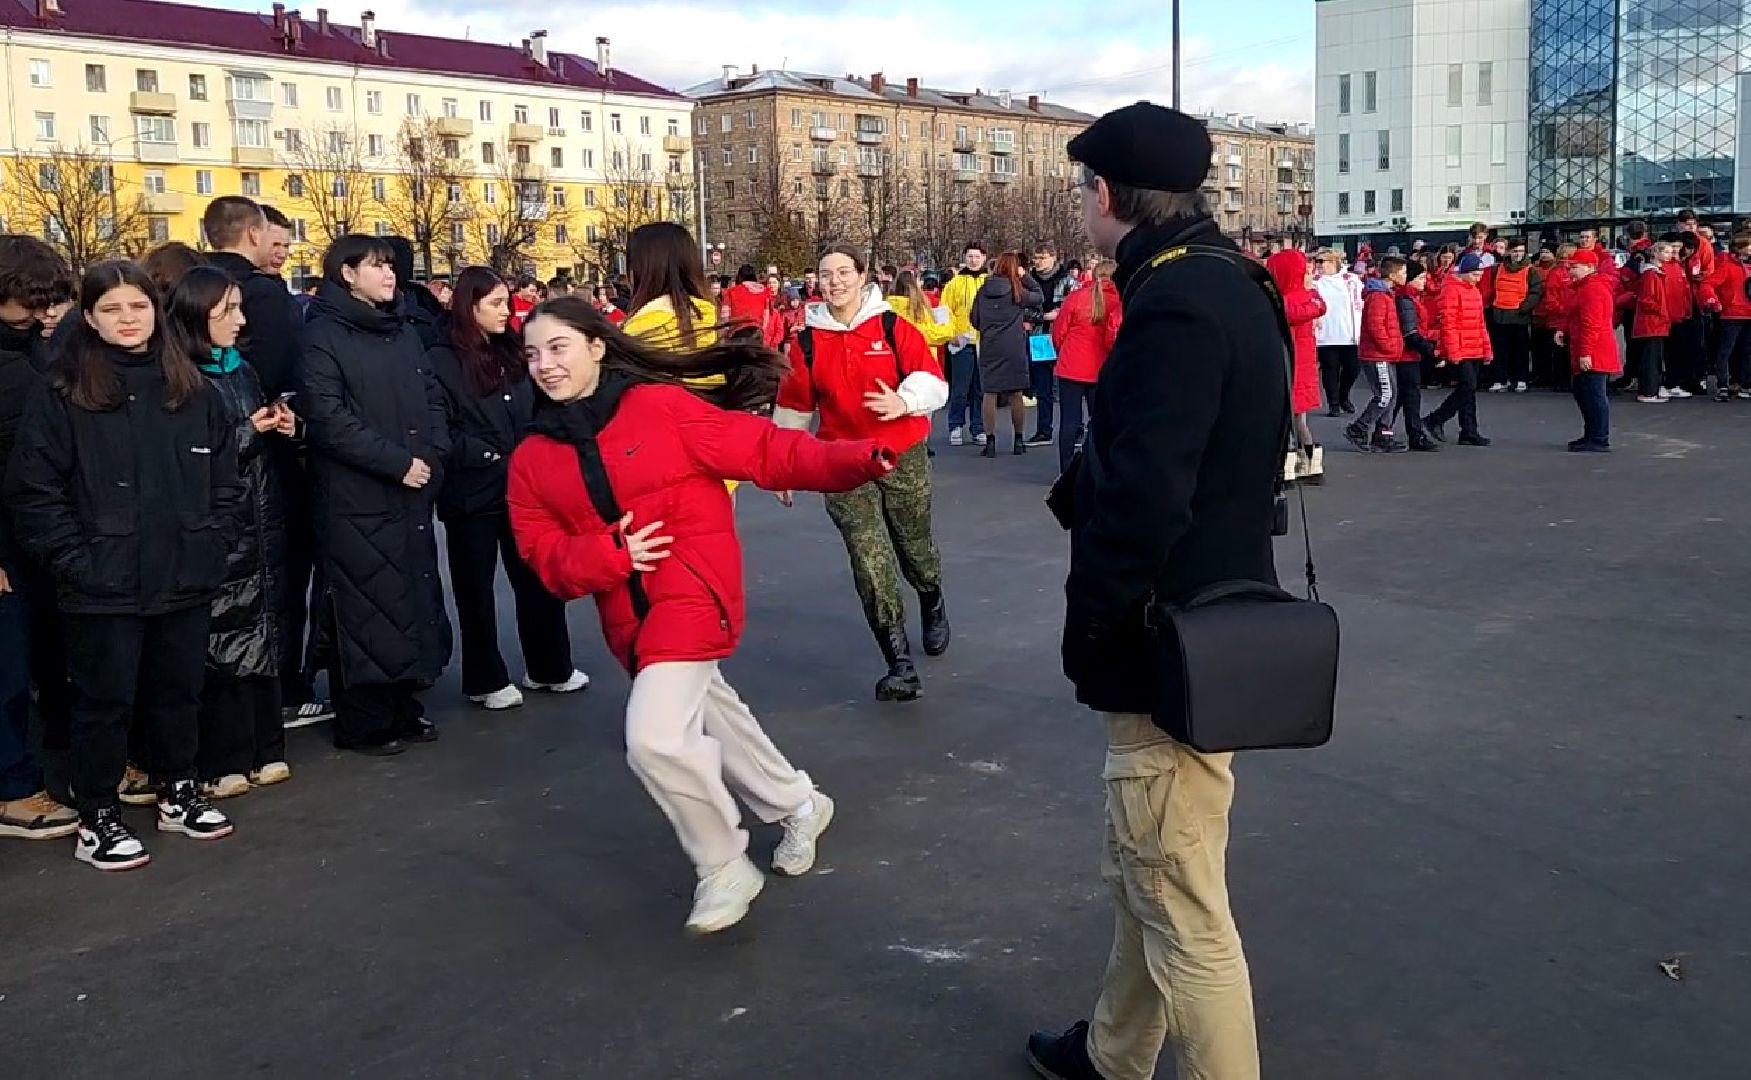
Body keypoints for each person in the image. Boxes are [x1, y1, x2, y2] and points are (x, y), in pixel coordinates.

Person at [1028, 101, 1280, 1080]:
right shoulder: (1228, 278)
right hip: (1213, 622)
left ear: (1104, 194)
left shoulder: (1174, 301)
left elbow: (1145, 494)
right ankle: (1111, 1052)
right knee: (1156, 863)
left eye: (1079, 190)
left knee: (1178, 899)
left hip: (1164, 635)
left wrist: (1091, 628)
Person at [507, 296, 893, 934]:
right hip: (627, 620)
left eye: (558, 348)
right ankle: (798, 803)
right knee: (713, 714)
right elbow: (543, 559)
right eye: (532, 354)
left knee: (653, 737)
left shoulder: (659, 410)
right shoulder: (531, 458)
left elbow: (766, 450)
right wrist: (612, 554)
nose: (545, 365)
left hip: (693, 592)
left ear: (597, 347)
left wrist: (855, 458)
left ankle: (722, 864)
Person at [6, 260, 242, 870]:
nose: (127, 320)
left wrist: (210, 540)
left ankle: (177, 788)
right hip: (101, 582)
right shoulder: (61, 395)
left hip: (184, 570)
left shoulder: (192, 391)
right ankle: (98, 815)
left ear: (155, 312)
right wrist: (75, 561)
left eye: (137, 306)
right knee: (103, 702)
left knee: (177, 691)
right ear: (89, 318)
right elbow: (35, 491)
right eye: (111, 309)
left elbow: (224, 479)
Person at [298, 235, 452, 757]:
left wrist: (434, 452)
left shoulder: (402, 330)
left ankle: (404, 704)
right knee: (363, 604)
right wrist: (396, 463)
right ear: (346, 273)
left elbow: (432, 395)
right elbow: (327, 418)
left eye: (390, 266)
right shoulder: (322, 336)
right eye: (377, 266)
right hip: (356, 495)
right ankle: (364, 719)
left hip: (411, 485)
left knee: (410, 595)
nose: (390, 275)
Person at [775, 245, 950, 702]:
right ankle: (900, 663)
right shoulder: (807, 342)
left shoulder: (891, 325)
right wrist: (784, 467)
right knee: (868, 557)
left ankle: (931, 596)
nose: (835, 282)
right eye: (826, 274)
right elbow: (794, 409)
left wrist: (904, 401)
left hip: (900, 451)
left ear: (863, 275)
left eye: (844, 272)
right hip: (842, 461)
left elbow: (932, 379)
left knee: (913, 546)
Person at [428, 266, 588, 711]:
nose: (507, 310)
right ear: (470, 305)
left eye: (507, 301)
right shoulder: (441, 358)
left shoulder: (515, 351)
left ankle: (550, 666)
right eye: (496, 303)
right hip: (472, 491)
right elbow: (438, 425)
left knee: (537, 577)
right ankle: (485, 677)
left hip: (523, 488)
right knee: (475, 589)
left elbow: (541, 404)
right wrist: (488, 455)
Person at [164, 265, 297, 798]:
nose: (240, 322)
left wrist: (281, 423)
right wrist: (248, 432)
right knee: (221, 638)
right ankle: (225, 757)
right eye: (228, 312)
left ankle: (267, 746)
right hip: (219, 523)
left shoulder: (240, 368)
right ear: (199, 317)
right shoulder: (182, 377)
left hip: (260, 517)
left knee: (263, 626)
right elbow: (191, 455)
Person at [202, 196, 329, 729]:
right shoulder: (266, 299)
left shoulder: (190, 287)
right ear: (253, 233)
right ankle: (282, 688)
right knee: (280, 578)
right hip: (268, 461)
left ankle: (236, 696)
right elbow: (286, 376)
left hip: (209, 468)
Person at [0, 235, 80, 840]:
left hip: (41, 530)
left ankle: (60, 760)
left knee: (52, 655)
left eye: (50, 303)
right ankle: (13, 788)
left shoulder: (38, 353)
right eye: (31, 303)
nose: (44, 315)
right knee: (7, 666)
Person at [1049, 259, 1122, 471]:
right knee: (1099, 421)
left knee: (1069, 420)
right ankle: (1097, 466)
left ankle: (1066, 468)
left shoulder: (1076, 297)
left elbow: (1059, 331)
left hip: (1071, 365)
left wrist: (1063, 351)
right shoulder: (1119, 300)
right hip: (1102, 367)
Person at [970, 252, 1044, 457]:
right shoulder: (1017, 291)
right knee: (1015, 393)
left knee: (990, 393)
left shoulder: (983, 290)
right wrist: (1025, 276)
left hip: (990, 345)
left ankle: (990, 440)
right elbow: (1039, 295)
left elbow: (974, 318)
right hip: (1013, 346)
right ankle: (1018, 440)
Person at [1264, 247, 1328, 482]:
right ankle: (1312, 464)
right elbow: (1318, 305)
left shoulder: (1281, 302)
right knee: (1300, 419)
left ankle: (1286, 467)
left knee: (1284, 419)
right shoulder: (1310, 297)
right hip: (1307, 365)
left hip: (1287, 364)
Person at [1423, 252, 1494, 446]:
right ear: (1464, 272)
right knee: (1467, 386)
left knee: (1469, 390)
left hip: (1474, 346)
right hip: (1459, 347)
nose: (1477, 278)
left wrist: (1486, 349)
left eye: (1479, 274)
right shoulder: (1451, 290)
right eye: (1474, 274)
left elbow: (1481, 323)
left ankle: (1469, 430)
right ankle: (1436, 418)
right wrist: (1453, 351)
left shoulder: (1474, 291)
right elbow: (1448, 323)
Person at [1558, 248, 1618, 451]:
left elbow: (1591, 324)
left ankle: (1598, 437)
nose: (1570, 270)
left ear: (1589, 267)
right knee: (1584, 392)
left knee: (1592, 394)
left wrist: (1586, 352)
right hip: (1589, 347)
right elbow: (1578, 317)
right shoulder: (1586, 287)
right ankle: (1593, 434)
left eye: (1575, 266)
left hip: (1594, 350)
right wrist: (1564, 330)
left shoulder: (1592, 289)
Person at [1351, 255, 1409, 453]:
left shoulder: (1386, 294)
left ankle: (1383, 434)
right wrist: (1389, 346)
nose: (1406, 276)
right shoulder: (1378, 296)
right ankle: (1360, 426)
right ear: (1392, 275)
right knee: (1385, 394)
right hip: (1377, 355)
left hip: (1384, 354)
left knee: (1391, 394)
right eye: (1403, 273)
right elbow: (1376, 327)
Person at [1025, 243, 1076, 447]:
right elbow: (1022, 308)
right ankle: (1043, 430)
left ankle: (1075, 430)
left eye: (1043, 258)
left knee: (1067, 387)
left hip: (1063, 337)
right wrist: (1044, 316)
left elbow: (1073, 307)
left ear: (1053, 258)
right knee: (1043, 386)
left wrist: (1056, 314)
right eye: (1036, 258)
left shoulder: (1067, 280)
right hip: (1039, 336)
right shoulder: (1029, 281)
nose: (1038, 262)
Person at [941, 243, 989, 446]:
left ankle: (978, 427)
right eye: (970, 256)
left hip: (985, 342)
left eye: (977, 256)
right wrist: (950, 333)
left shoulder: (990, 282)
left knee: (980, 389)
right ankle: (955, 426)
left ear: (984, 258)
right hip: (962, 341)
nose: (973, 260)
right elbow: (944, 311)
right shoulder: (954, 284)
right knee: (960, 388)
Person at [1483, 239, 1541, 393]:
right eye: (1515, 251)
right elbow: (1490, 289)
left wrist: (1524, 307)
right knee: (1500, 351)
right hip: (1500, 314)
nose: (1518, 255)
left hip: (1519, 316)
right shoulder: (1498, 269)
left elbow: (1536, 292)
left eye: (1521, 251)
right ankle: (1500, 379)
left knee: (1520, 351)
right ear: (1509, 252)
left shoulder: (1531, 270)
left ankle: (1521, 379)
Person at [1393, 263, 1440, 451]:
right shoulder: (1406, 300)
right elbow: (1411, 333)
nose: (1425, 281)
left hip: (1409, 353)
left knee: (1404, 397)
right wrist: (1431, 351)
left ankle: (1390, 430)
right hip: (1406, 354)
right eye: (1421, 278)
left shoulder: (1411, 298)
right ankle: (1414, 434)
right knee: (1408, 396)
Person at [1313, 248, 1363, 414]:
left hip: (1348, 333)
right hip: (1326, 334)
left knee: (1353, 368)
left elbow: (1361, 301)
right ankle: (1334, 404)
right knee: (1330, 369)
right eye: (1317, 261)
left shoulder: (1351, 280)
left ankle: (1344, 396)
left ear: (1334, 262)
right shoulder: (1315, 281)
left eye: (1322, 261)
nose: (1318, 265)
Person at [1705, 232, 1751, 399]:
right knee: (1726, 351)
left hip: (1746, 314)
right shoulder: (1727, 266)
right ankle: (1723, 385)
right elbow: (1709, 283)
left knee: (1746, 352)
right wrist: (1714, 301)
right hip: (1732, 313)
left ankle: (1745, 384)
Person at [1631, 241, 1675, 404]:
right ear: (1656, 253)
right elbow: (1647, 299)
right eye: (1666, 252)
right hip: (1652, 322)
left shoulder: (1655, 273)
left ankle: (1652, 389)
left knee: (1654, 358)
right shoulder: (1651, 274)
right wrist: (1661, 311)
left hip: (1655, 321)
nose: (1670, 255)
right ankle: (1648, 391)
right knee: (1651, 359)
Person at [1531, 244, 1575, 390]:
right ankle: (1560, 381)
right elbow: (1551, 299)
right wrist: (1563, 310)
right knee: (1559, 353)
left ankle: (1565, 380)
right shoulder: (1557, 273)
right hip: (1558, 318)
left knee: (1567, 352)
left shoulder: (1571, 272)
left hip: (1569, 317)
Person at [886, 269, 955, 350]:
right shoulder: (914, 308)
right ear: (914, 285)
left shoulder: (888, 306)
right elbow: (927, 334)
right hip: (919, 355)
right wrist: (948, 327)